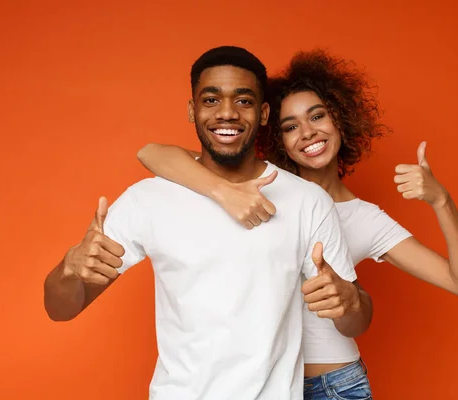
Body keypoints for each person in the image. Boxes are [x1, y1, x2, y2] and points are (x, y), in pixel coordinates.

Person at [137, 49, 458, 400]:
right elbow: (152, 153)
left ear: (341, 121)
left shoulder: (365, 218)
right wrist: (221, 191)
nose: (306, 133)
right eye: (290, 126)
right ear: (275, 135)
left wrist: (442, 201)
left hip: (333, 384)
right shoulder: (252, 193)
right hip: (255, 386)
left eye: (317, 117)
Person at [43, 46, 373, 400]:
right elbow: (62, 308)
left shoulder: (307, 201)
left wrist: (351, 300)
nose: (227, 113)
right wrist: (69, 268)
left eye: (243, 101)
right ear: (192, 110)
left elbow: (356, 321)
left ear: (263, 114)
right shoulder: (148, 200)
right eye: (211, 100)